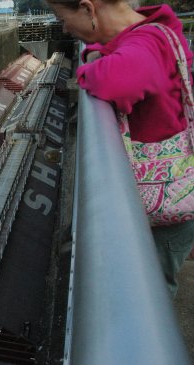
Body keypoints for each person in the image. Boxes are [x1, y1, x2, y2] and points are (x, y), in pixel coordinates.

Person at [44, 0, 194, 297]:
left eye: (63, 17)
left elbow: (116, 80)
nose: (64, 27)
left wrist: (86, 71)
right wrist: (97, 52)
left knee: (152, 293)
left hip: (167, 215)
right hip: (172, 193)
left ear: (89, 9)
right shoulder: (155, 32)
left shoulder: (147, 42)